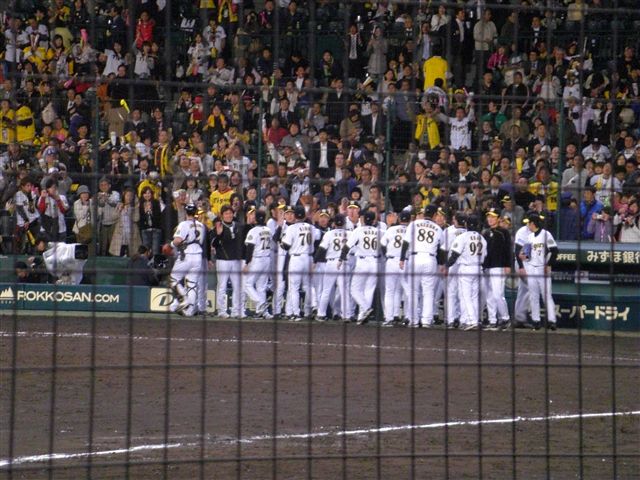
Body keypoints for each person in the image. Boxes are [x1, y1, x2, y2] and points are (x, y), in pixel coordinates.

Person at [400, 204, 445, 328]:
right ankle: (426, 320)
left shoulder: (414, 224)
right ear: (434, 215)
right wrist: (441, 263)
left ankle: (413, 320)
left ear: (424, 213)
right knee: (428, 292)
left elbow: (405, 242)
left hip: (415, 258)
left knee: (413, 291)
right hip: (430, 259)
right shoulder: (438, 228)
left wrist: (402, 258)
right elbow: (441, 249)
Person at [516, 212, 558, 330]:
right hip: (531, 268)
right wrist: (523, 256)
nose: (528, 225)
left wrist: (549, 264)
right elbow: (526, 254)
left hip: (542, 268)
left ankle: (552, 321)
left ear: (533, 223)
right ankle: (536, 321)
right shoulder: (530, 237)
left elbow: (555, 251)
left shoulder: (546, 234)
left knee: (546, 295)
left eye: (529, 223)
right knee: (533, 296)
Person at [446, 215, 488, 330]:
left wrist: (446, 266)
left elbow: (454, 255)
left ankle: (471, 321)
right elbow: (485, 256)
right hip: (478, 269)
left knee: (465, 296)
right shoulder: (482, 238)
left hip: (466, 268)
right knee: (473, 296)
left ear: (466, 224)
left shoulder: (463, 237)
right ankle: (466, 320)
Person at [339, 210, 380, 324]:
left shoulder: (358, 230)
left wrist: (341, 259)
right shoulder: (379, 232)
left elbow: (347, 246)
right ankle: (362, 316)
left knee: (355, 289)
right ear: (374, 220)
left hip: (362, 262)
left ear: (363, 219)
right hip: (375, 262)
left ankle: (366, 309)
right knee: (369, 289)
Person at [167, 203, 206, 316]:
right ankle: (189, 311)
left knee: (173, 279)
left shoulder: (183, 224)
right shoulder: (201, 225)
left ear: (186, 212)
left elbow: (178, 240)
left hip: (186, 255)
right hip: (198, 256)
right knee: (192, 283)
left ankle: (184, 299)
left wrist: (171, 245)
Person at [280, 205, 317, 320]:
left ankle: (296, 313)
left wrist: (281, 242)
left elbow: (286, 246)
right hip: (309, 258)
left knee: (294, 288)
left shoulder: (291, 228)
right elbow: (319, 237)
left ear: (295, 216)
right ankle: (315, 304)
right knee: (308, 285)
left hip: (296, 259)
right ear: (304, 216)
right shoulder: (311, 228)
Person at [314, 213, 349, 322]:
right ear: (344, 223)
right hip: (343, 263)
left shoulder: (329, 234)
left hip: (331, 263)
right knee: (344, 290)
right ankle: (346, 315)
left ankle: (321, 314)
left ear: (334, 223)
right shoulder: (349, 233)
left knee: (326, 290)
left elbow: (321, 249)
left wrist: (314, 261)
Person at [211, 204, 244, 318]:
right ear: (222, 215)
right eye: (226, 213)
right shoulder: (218, 226)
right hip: (223, 260)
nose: (228, 215)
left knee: (237, 286)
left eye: (230, 213)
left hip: (236, 260)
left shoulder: (238, 226)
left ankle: (236, 311)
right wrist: (218, 235)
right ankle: (221, 311)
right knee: (222, 286)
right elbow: (214, 244)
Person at [380, 210, 410, 326]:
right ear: (410, 220)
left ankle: (389, 318)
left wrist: (387, 255)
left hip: (391, 261)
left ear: (399, 219)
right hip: (405, 261)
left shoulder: (391, 229)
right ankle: (405, 316)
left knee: (390, 291)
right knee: (405, 290)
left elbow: (382, 244)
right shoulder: (411, 230)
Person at [243, 209, 273, 318]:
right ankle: (263, 312)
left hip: (257, 260)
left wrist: (247, 264)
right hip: (267, 259)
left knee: (247, 284)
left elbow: (249, 248)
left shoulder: (253, 231)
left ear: (255, 219)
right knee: (261, 287)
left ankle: (260, 304)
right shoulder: (268, 230)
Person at [441, 212, 467, 328]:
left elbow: (444, 250)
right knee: (463, 292)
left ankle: (451, 319)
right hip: (464, 264)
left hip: (452, 264)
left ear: (456, 220)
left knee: (451, 292)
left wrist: (444, 265)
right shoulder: (468, 232)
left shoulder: (450, 232)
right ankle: (462, 319)